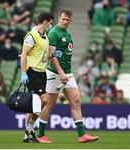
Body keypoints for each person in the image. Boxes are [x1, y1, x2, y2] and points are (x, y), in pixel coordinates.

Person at [37, 9, 99, 143]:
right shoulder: (54, 33)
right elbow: (51, 55)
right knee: (49, 104)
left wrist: (65, 73)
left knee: (76, 101)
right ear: (59, 18)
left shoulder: (68, 34)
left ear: (71, 21)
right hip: (55, 73)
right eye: (63, 19)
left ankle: (82, 134)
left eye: (68, 20)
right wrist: (61, 72)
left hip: (67, 73)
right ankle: (41, 134)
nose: (65, 21)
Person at [20, 12, 54, 143]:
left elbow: (41, 54)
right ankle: (30, 128)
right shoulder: (31, 35)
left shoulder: (44, 36)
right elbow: (24, 55)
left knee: (35, 104)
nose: (51, 25)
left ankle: (28, 132)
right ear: (45, 22)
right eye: (50, 22)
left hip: (42, 72)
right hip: (32, 72)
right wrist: (23, 73)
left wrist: (52, 55)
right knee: (43, 100)